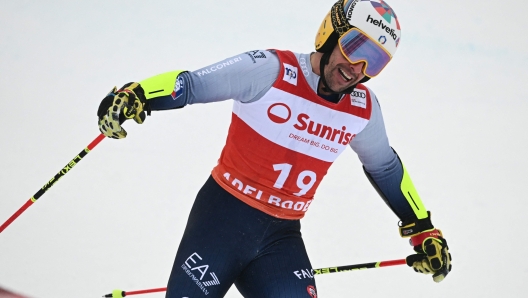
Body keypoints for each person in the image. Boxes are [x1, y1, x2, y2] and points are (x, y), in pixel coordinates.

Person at [97, 0, 452, 297]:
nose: (357, 69)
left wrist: (422, 227)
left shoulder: (363, 110)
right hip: (220, 222)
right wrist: (137, 94)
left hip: (281, 239)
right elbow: (191, 85)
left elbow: (386, 168)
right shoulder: (270, 70)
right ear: (330, 33)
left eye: (374, 62)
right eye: (354, 49)